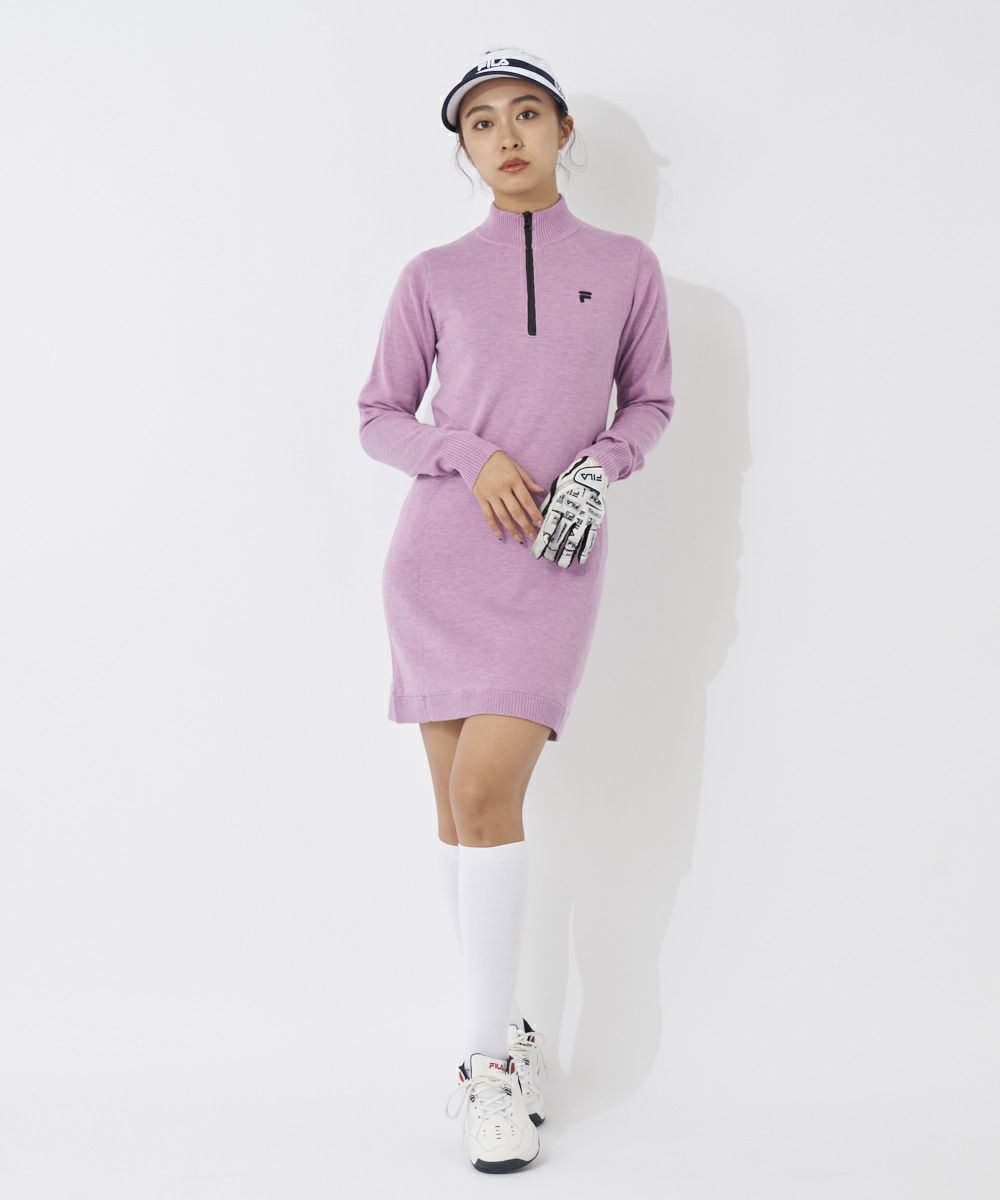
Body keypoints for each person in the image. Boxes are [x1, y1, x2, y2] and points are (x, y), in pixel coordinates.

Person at [356, 47, 675, 1172]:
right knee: (460, 819)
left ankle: (484, 1062)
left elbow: (651, 402)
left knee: (488, 795)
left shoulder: (626, 266)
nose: (506, 135)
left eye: (526, 113)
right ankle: (507, 1043)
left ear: (562, 130)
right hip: (437, 564)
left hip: (552, 562)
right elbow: (379, 415)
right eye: (482, 122)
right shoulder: (434, 274)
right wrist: (468, 452)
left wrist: (598, 466)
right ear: (465, 148)